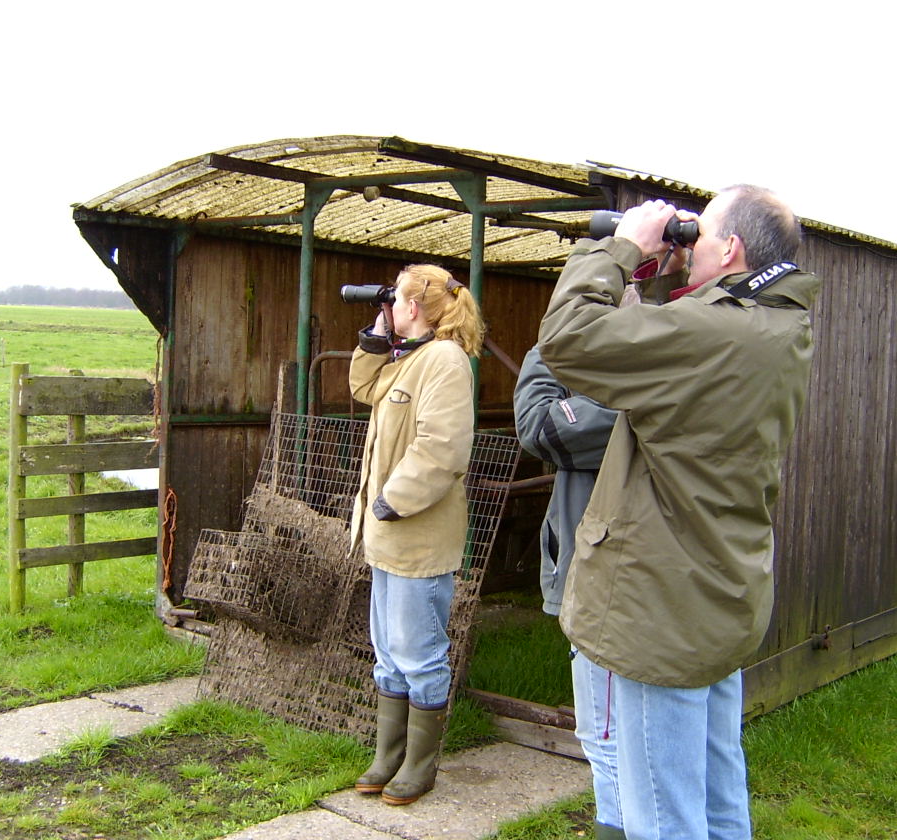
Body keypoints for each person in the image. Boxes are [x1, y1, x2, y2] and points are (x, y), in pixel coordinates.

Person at [537, 185, 820, 840]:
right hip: (716, 595)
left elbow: (568, 338)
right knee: (719, 799)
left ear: (730, 248)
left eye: (701, 234)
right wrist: (665, 277)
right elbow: (684, 355)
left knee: (661, 820)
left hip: (660, 610)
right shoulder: (778, 326)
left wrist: (620, 249)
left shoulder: (716, 333)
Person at [348, 263, 484, 806]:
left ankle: (420, 765)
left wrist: (389, 503)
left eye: (398, 300)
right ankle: (389, 755)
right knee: (387, 652)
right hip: (385, 538)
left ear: (417, 307)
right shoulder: (410, 357)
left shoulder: (446, 362)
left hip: (416, 535)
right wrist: (378, 335)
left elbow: (442, 450)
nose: (393, 306)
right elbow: (362, 386)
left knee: (419, 652)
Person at [512, 346, 625, 839]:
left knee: (606, 736)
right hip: (635, 577)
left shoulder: (651, 379)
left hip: (608, 583)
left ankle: (618, 827)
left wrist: (548, 347)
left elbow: (540, 427)